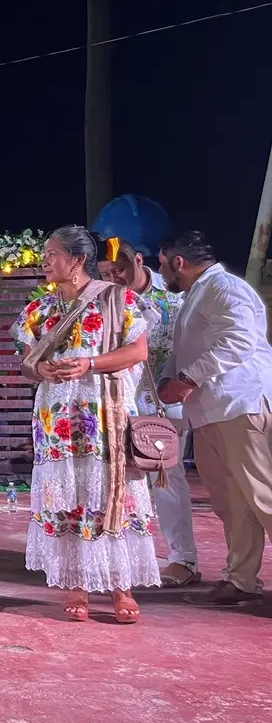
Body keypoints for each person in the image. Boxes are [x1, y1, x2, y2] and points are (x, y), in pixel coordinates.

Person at [11, 226, 157, 623]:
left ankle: (121, 587)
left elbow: (138, 350)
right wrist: (39, 367)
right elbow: (27, 362)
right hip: (56, 419)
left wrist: (88, 363)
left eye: (51, 253)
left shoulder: (117, 299)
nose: (44, 260)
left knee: (112, 492)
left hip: (104, 415)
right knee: (69, 495)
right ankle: (77, 583)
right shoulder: (38, 309)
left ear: (77, 260)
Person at [157, 231, 272, 607]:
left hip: (241, 405)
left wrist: (187, 380)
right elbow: (184, 350)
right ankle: (241, 580)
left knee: (262, 496)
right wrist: (168, 379)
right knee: (231, 502)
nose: (162, 273)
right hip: (210, 412)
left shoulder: (224, 287)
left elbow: (239, 339)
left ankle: (241, 579)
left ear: (178, 263)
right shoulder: (196, 296)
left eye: (162, 264)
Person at [103, 235, 201, 587]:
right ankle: (130, 555)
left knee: (167, 479)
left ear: (139, 262)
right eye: (108, 271)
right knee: (125, 480)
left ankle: (182, 559)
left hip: (165, 402)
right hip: (120, 401)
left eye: (121, 269)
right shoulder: (104, 298)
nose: (115, 277)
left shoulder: (173, 297)